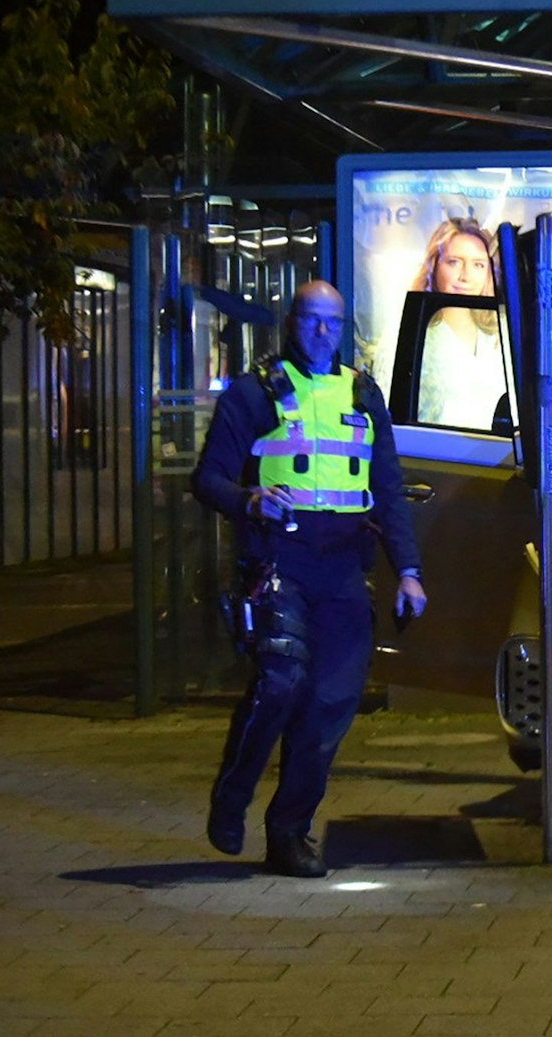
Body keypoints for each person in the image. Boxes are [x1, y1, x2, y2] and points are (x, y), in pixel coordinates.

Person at [191, 281, 428, 878]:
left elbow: (390, 489)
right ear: (291, 323)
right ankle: (233, 794)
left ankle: (289, 833)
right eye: (311, 321)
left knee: (329, 707)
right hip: (280, 563)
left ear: (342, 328)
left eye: (333, 323)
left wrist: (409, 570)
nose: (323, 333)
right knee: (280, 684)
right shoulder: (253, 394)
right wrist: (249, 500)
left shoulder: (364, 393)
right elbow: (208, 479)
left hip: (345, 570)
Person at [410, 219, 509, 431]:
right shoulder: (410, 335)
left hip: (496, 457)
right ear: (434, 266)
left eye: (478, 265)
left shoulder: (501, 337)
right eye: (454, 262)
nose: (465, 276)